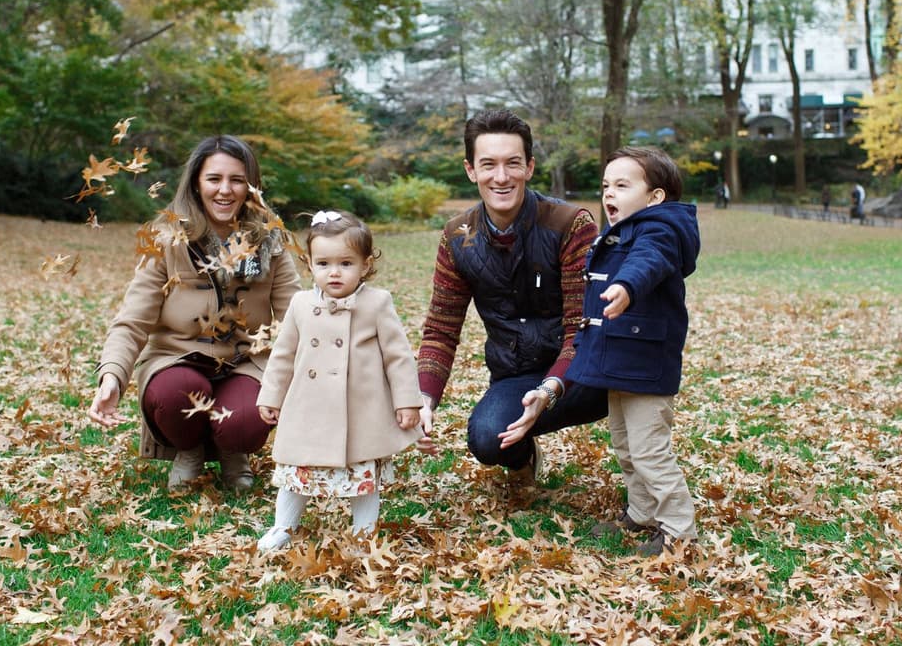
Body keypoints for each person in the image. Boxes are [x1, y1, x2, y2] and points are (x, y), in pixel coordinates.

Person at [87, 135, 301, 491]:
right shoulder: (166, 238)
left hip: (246, 362)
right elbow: (133, 319)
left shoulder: (270, 241)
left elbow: (298, 315)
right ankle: (190, 449)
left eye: (237, 180)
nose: (225, 190)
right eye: (214, 179)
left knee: (246, 422)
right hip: (179, 360)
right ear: (196, 183)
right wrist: (112, 375)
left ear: (251, 186)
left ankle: (233, 450)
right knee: (176, 393)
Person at [416, 108, 607, 483]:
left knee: (620, 392)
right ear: (471, 170)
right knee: (487, 437)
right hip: (516, 374)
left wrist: (549, 391)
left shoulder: (569, 224)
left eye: (512, 163)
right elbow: (440, 330)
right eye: (488, 165)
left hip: (586, 372)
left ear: (530, 167)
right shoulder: (458, 237)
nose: (501, 177)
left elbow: (581, 330)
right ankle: (523, 459)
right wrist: (424, 399)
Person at [256, 210, 422, 550]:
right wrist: (270, 396)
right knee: (296, 471)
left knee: (363, 473)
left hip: (360, 411)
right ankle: (283, 527)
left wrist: (407, 401)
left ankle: (364, 533)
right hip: (308, 408)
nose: (334, 272)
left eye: (346, 263)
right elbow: (283, 355)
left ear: (365, 265)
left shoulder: (377, 303)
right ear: (310, 265)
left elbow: (398, 356)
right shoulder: (301, 305)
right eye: (323, 263)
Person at [567, 145, 699, 557]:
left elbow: (649, 260)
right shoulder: (625, 230)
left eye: (622, 186)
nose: (610, 194)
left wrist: (626, 285)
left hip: (646, 365)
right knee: (625, 445)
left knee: (649, 449)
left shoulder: (660, 229)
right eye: (606, 185)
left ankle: (678, 530)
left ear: (654, 196)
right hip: (622, 362)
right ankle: (642, 511)